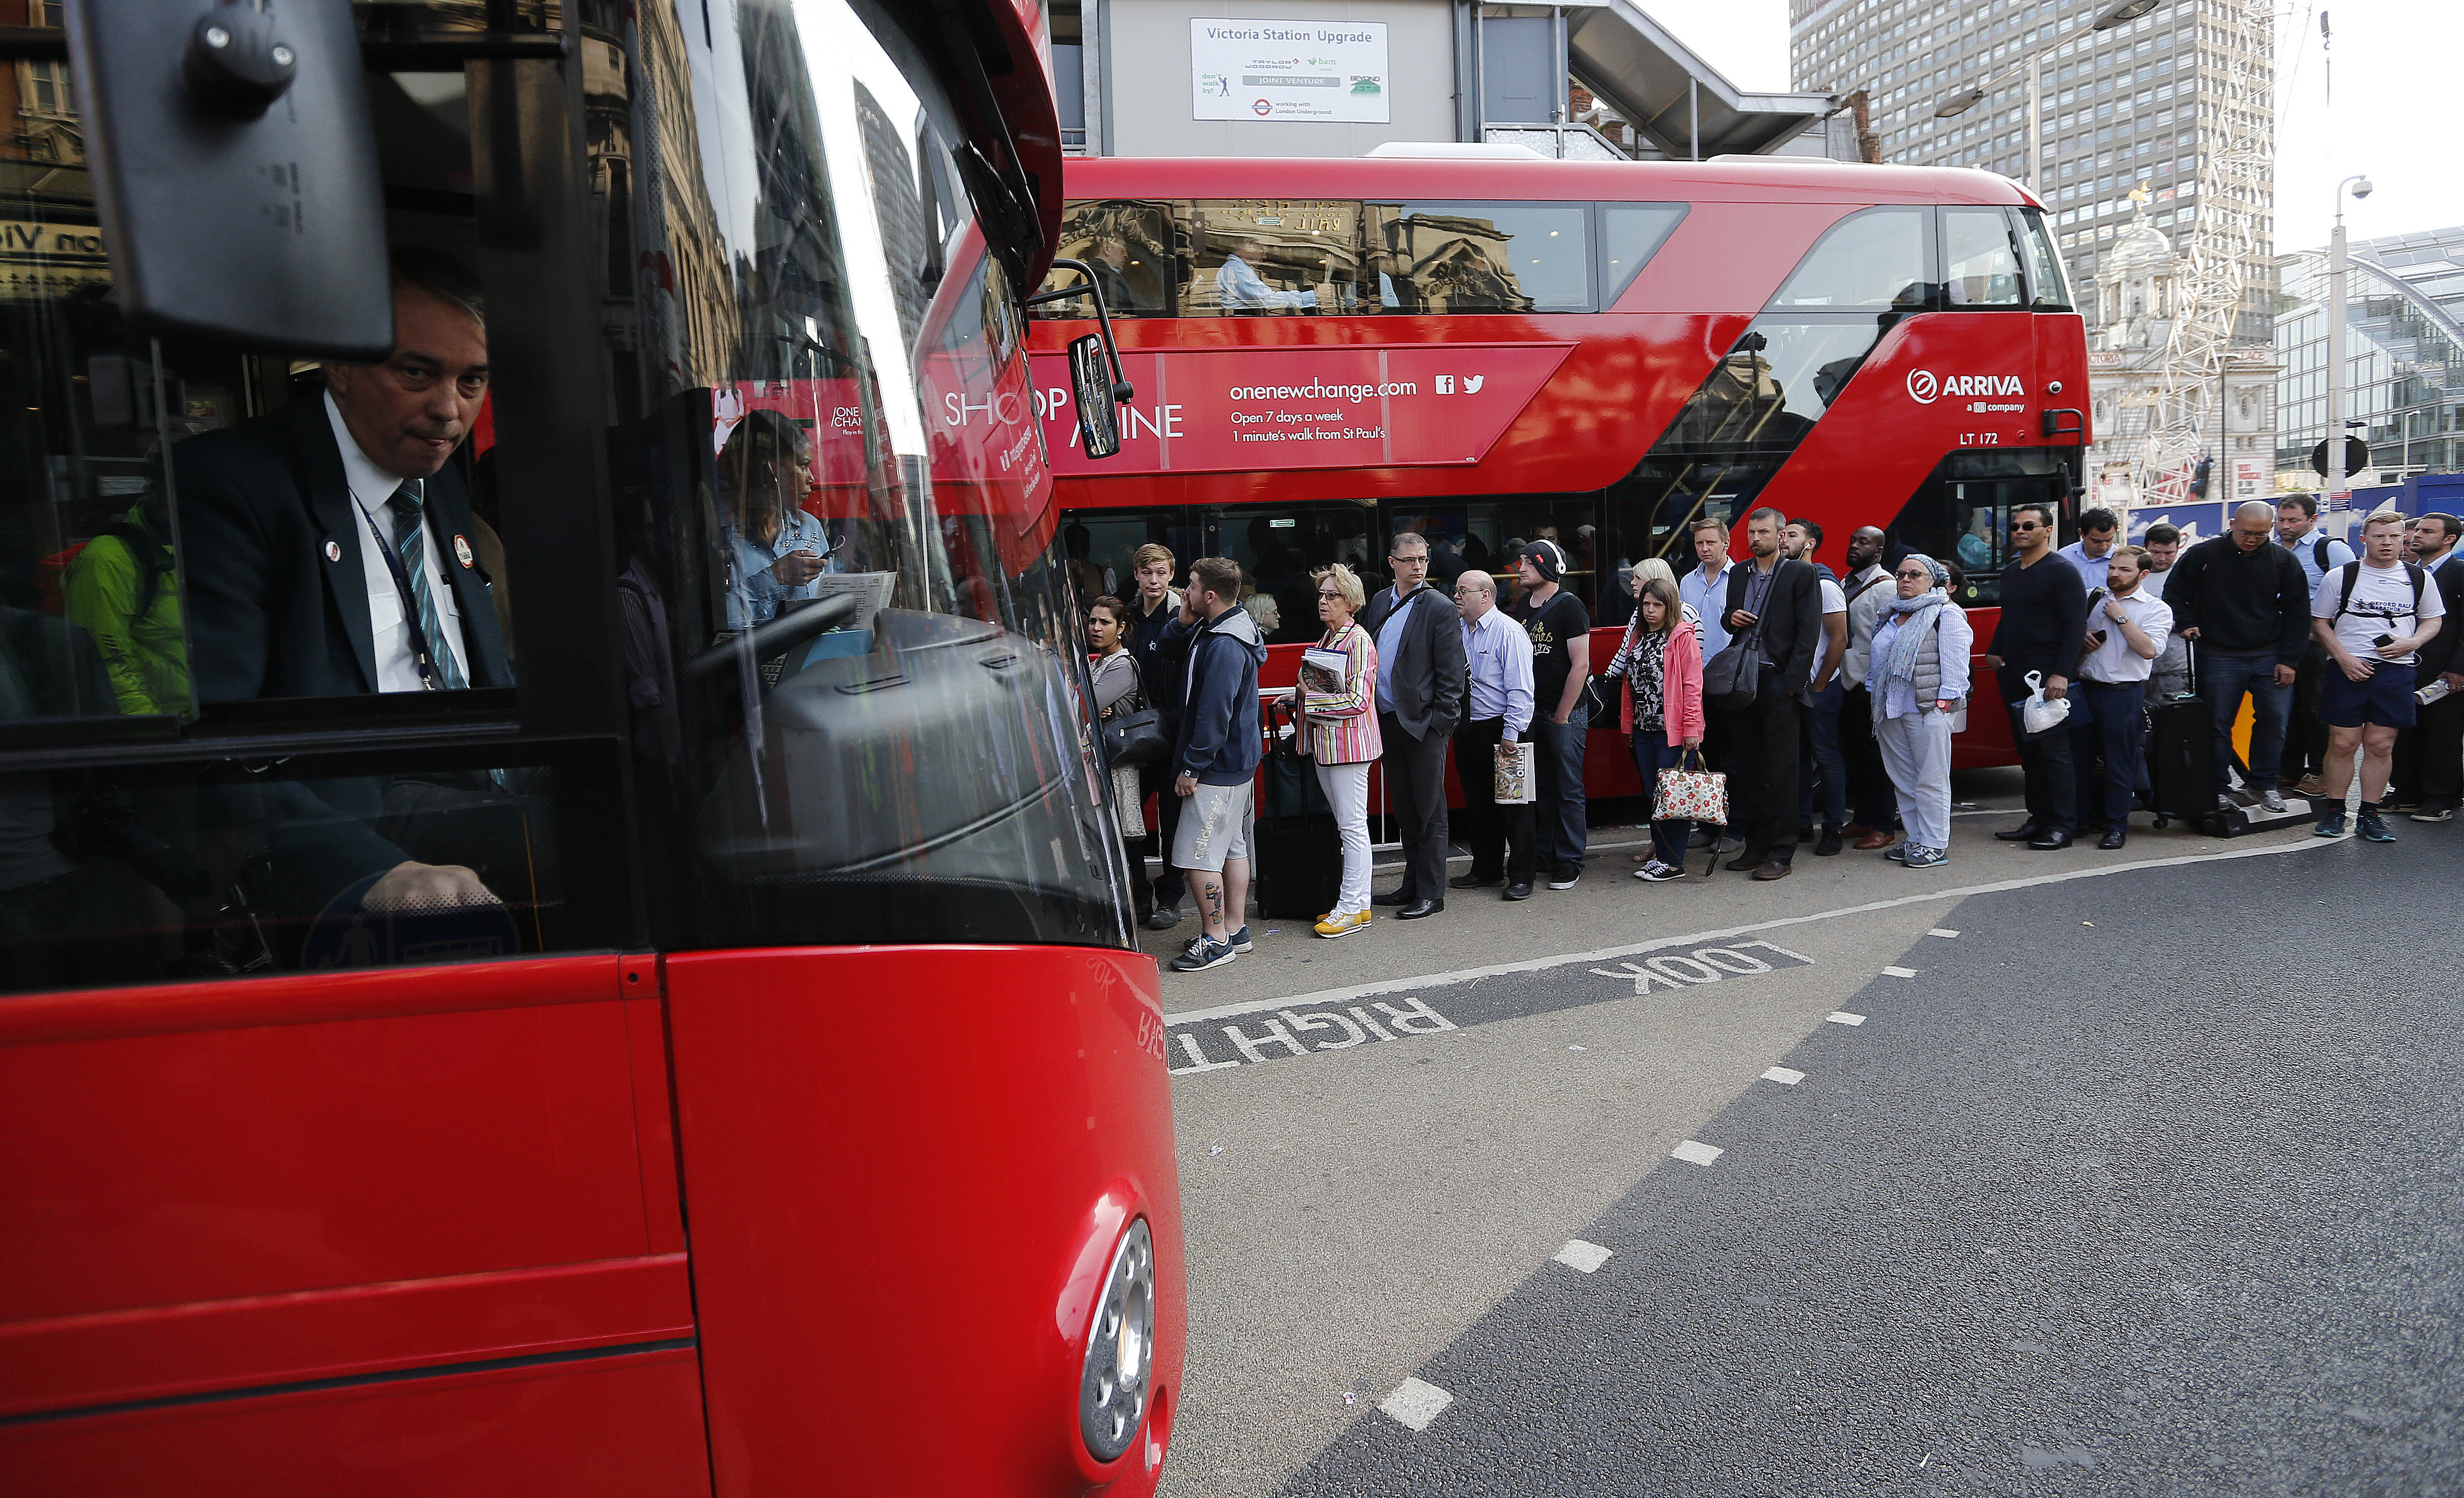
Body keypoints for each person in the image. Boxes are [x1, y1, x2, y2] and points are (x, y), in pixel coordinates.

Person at [176, 248, 510, 916]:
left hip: (490, 774)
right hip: (354, 817)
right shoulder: (233, 485)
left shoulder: (435, 473)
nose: (449, 410)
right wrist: (367, 870)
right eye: (418, 372)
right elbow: (211, 750)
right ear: (341, 364)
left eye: (473, 381)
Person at [2165, 500, 2312, 812]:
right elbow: (2175, 594)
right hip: (2218, 653)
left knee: (2275, 722)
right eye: (2247, 533)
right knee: (2217, 724)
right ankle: (2217, 786)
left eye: (2262, 534)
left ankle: (2263, 784)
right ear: (2233, 524)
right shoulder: (2204, 555)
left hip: (2269, 653)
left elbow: (2299, 613)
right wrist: (2188, 623)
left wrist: (2289, 660)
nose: (2253, 539)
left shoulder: (2283, 560)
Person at [2311, 512, 2445, 843]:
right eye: (2379, 537)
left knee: (2381, 744)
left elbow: (2433, 620)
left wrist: (2412, 642)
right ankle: (2336, 811)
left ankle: (2369, 815)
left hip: (2396, 671)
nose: (2387, 543)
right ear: (2364, 539)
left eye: (2394, 537)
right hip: (2347, 668)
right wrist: (2343, 658)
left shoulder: (2420, 578)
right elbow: (2319, 623)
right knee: (2343, 743)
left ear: (2404, 539)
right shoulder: (2341, 576)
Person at [1161, 558, 1268, 971]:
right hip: (1235, 764)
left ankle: (1215, 938)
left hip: (1214, 768)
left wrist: (1192, 767)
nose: (1183, 592)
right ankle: (1235, 929)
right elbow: (1168, 649)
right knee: (1233, 847)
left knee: (1197, 856)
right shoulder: (1226, 628)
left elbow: (1213, 714)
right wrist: (1185, 620)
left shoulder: (1223, 644)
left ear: (1210, 594)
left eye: (1189, 586)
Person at [1359, 531, 1467, 918]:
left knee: (1430, 811)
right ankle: (1412, 883)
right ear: (1392, 563)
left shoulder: (1438, 606)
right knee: (1405, 809)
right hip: (1387, 719)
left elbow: (1453, 676)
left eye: (1422, 559)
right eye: (1410, 560)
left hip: (1423, 726)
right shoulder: (1379, 602)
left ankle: (1431, 893)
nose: (1418, 566)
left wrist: (1440, 725)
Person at [1719, 507, 1822, 880]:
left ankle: (1782, 852)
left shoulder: (1800, 573)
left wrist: (1792, 684)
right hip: (1743, 681)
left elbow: (1809, 633)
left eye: (1763, 532)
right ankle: (1756, 846)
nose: (1755, 538)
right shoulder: (1738, 572)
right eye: (1751, 532)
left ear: (1780, 536)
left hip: (1778, 680)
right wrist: (1731, 618)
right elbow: (1727, 617)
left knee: (1782, 770)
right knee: (1748, 768)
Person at [1982, 502, 2087, 849]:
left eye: (2028, 526)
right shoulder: (2012, 572)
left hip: (2047, 676)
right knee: (2029, 753)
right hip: (2013, 671)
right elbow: (2009, 617)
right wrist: (1995, 650)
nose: (2020, 532)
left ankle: (2062, 825)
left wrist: (2062, 674)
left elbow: (2076, 625)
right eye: (2015, 527)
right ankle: (2038, 818)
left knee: (2055, 753)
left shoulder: (2062, 571)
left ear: (2047, 531)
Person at [1866, 554, 1972, 869]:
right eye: (1901, 574)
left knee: (1932, 779)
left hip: (1927, 709)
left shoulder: (1947, 614)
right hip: (1890, 709)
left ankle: (1935, 845)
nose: (1905, 579)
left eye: (1915, 574)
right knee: (1903, 778)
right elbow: (1876, 661)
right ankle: (1915, 838)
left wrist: (1943, 707)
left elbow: (1956, 668)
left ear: (1934, 581)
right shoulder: (1890, 613)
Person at [1293, 564, 1381, 937]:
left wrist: (1307, 699)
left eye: (1333, 596)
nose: (1324, 602)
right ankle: (1359, 906)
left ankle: (1350, 908)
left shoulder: (1357, 640)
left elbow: (1359, 700)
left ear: (1351, 601)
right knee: (1349, 825)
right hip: (1328, 745)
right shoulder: (1330, 639)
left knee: (1352, 827)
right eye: (1321, 595)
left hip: (1349, 746)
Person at [2069, 546, 2172, 849]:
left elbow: (2150, 650)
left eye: (2125, 570)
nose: (2115, 574)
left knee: (2119, 762)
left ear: (2143, 574)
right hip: (2085, 688)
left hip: (2122, 693)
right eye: (2113, 568)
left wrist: (2123, 618)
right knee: (2078, 760)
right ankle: (2079, 819)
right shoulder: (2094, 598)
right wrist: (2082, 642)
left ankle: (2116, 826)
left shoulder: (2155, 608)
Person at [1602, 577, 1705, 881]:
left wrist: (1691, 728)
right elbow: (1628, 684)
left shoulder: (1681, 635)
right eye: (1646, 604)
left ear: (1669, 606)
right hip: (1643, 728)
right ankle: (1662, 855)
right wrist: (1628, 725)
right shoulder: (1638, 635)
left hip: (1672, 730)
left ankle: (1674, 863)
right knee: (1653, 795)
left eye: (1657, 605)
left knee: (1673, 795)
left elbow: (1692, 684)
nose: (1650, 610)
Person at [61, 486, 189, 717]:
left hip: (209, 725)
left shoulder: (195, 550)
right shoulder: (108, 559)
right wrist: (153, 734)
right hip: (168, 731)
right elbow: (107, 662)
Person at [1507, 540, 1591, 889]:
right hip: (1533, 713)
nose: (1520, 568)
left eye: (1527, 563)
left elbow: (1581, 664)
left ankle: (1570, 860)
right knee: (1538, 788)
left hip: (1564, 715)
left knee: (1568, 788)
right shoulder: (1520, 607)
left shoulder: (1570, 607)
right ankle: (1545, 852)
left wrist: (1561, 715)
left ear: (1544, 567)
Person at [1451, 570, 1538, 900]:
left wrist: (1512, 733)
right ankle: (1485, 869)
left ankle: (1521, 876)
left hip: (1503, 728)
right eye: (1456, 590)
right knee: (1479, 804)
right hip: (1469, 726)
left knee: (1515, 806)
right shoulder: (1459, 630)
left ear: (1486, 596)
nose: (1457, 596)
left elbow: (1520, 688)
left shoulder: (1508, 632)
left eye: (1464, 590)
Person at [1123, 543, 1188, 930]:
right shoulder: (1127, 616)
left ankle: (1170, 897)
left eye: (1161, 573)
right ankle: (1139, 896)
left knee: (1173, 820)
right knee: (1129, 819)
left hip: (1171, 732)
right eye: (1147, 573)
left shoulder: (1180, 615)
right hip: (1134, 735)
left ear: (1171, 574)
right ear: (1137, 575)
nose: (1154, 580)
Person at [2276, 495, 2357, 796]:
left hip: (2316, 644)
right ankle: (2287, 770)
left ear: (2312, 519)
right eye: (2281, 520)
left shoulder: (2330, 549)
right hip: (2279, 644)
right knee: (2285, 710)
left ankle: (2319, 772)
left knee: (2315, 710)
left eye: (2293, 520)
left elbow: (2353, 592)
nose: (2285, 526)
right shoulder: (2270, 550)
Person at [720, 408, 830, 627]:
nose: (811, 478)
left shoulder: (810, 529)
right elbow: (725, 625)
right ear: (770, 469)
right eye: (803, 466)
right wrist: (775, 576)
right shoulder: (722, 537)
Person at [2391, 513, 2464, 821]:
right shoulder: (2407, 572)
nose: (2416, 536)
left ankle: (2441, 797)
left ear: (2450, 539)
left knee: (2442, 735)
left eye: (2427, 531)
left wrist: (2458, 668)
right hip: (2408, 668)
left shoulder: (2458, 572)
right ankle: (2406, 792)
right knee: (2406, 732)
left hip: (2445, 672)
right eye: (2417, 530)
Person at [1784, 519, 1850, 856]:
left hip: (1819, 687)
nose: (1784, 540)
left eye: (1792, 535)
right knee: (1797, 759)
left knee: (1826, 757)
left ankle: (1834, 829)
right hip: (1794, 688)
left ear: (1809, 544)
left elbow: (1840, 638)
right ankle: (1802, 823)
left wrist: (1821, 684)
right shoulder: (1786, 578)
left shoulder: (1823, 585)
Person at [1086, 596, 1153, 926]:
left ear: (1122, 628)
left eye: (1105, 623)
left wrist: (1094, 709)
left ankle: (1140, 902)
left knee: (1127, 834)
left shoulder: (1122, 664)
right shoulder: (1098, 662)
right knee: (1108, 833)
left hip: (1119, 762)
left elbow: (1082, 704)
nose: (1096, 628)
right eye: (1093, 621)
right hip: (1101, 762)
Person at [1835, 526, 1899, 850]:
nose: (1855, 547)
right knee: (1854, 754)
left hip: (1870, 684)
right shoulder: (1847, 582)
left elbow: (1890, 639)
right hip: (1846, 681)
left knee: (1876, 757)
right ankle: (1863, 817)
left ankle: (1884, 824)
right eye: (1853, 540)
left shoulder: (1886, 588)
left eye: (1864, 543)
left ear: (1878, 551)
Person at [2136, 522, 2192, 700]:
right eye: (2156, 552)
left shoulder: (2187, 575)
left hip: (2175, 667)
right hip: (2135, 666)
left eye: (2169, 553)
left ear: (2178, 549)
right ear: (2146, 547)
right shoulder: (2131, 573)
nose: (2162, 559)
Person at [1215, 238, 1320, 314]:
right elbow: (1267, 301)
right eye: (1263, 251)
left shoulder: (1235, 268)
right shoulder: (1238, 270)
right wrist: (1314, 296)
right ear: (1249, 244)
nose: (1265, 256)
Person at [2056, 507, 2119, 593]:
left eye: (2109, 540)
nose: (2104, 547)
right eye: (2097, 541)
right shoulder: (2064, 556)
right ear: (2082, 533)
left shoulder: (2122, 561)